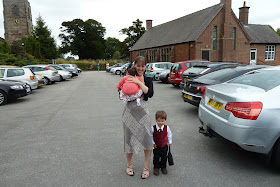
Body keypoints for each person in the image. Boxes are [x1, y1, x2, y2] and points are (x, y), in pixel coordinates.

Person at [121, 56, 154, 179]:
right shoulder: (128, 77)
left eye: (143, 66)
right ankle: (129, 165)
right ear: (134, 65)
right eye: (138, 65)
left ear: (146, 67)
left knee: (147, 140)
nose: (140, 68)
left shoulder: (148, 79)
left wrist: (139, 82)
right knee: (129, 140)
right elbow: (120, 92)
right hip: (129, 113)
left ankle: (146, 167)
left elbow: (149, 93)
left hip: (143, 114)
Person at [151, 110, 172, 176]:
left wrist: (170, 142)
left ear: (165, 120)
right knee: (156, 157)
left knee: (164, 157)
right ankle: (156, 168)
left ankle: (163, 167)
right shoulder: (153, 128)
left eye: (162, 121)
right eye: (158, 121)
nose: (160, 123)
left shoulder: (167, 128)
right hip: (156, 146)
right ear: (156, 120)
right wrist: (153, 143)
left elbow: (169, 135)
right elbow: (151, 136)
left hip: (164, 145)